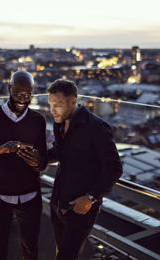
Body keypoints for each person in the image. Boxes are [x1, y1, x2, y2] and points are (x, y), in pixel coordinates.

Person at [0, 70, 48, 260]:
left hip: (31, 196)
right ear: (8, 89)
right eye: (17, 93)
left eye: (27, 94)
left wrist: (37, 161)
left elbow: (43, 161)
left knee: (31, 249)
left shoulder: (38, 120)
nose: (22, 99)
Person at [46, 79, 123, 260]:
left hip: (81, 209)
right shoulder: (60, 123)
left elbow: (114, 168)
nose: (52, 110)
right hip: (58, 201)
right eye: (50, 104)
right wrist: (39, 157)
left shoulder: (96, 127)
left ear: (73, 102)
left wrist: (91, 198)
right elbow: (60, 151)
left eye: (57, 105)